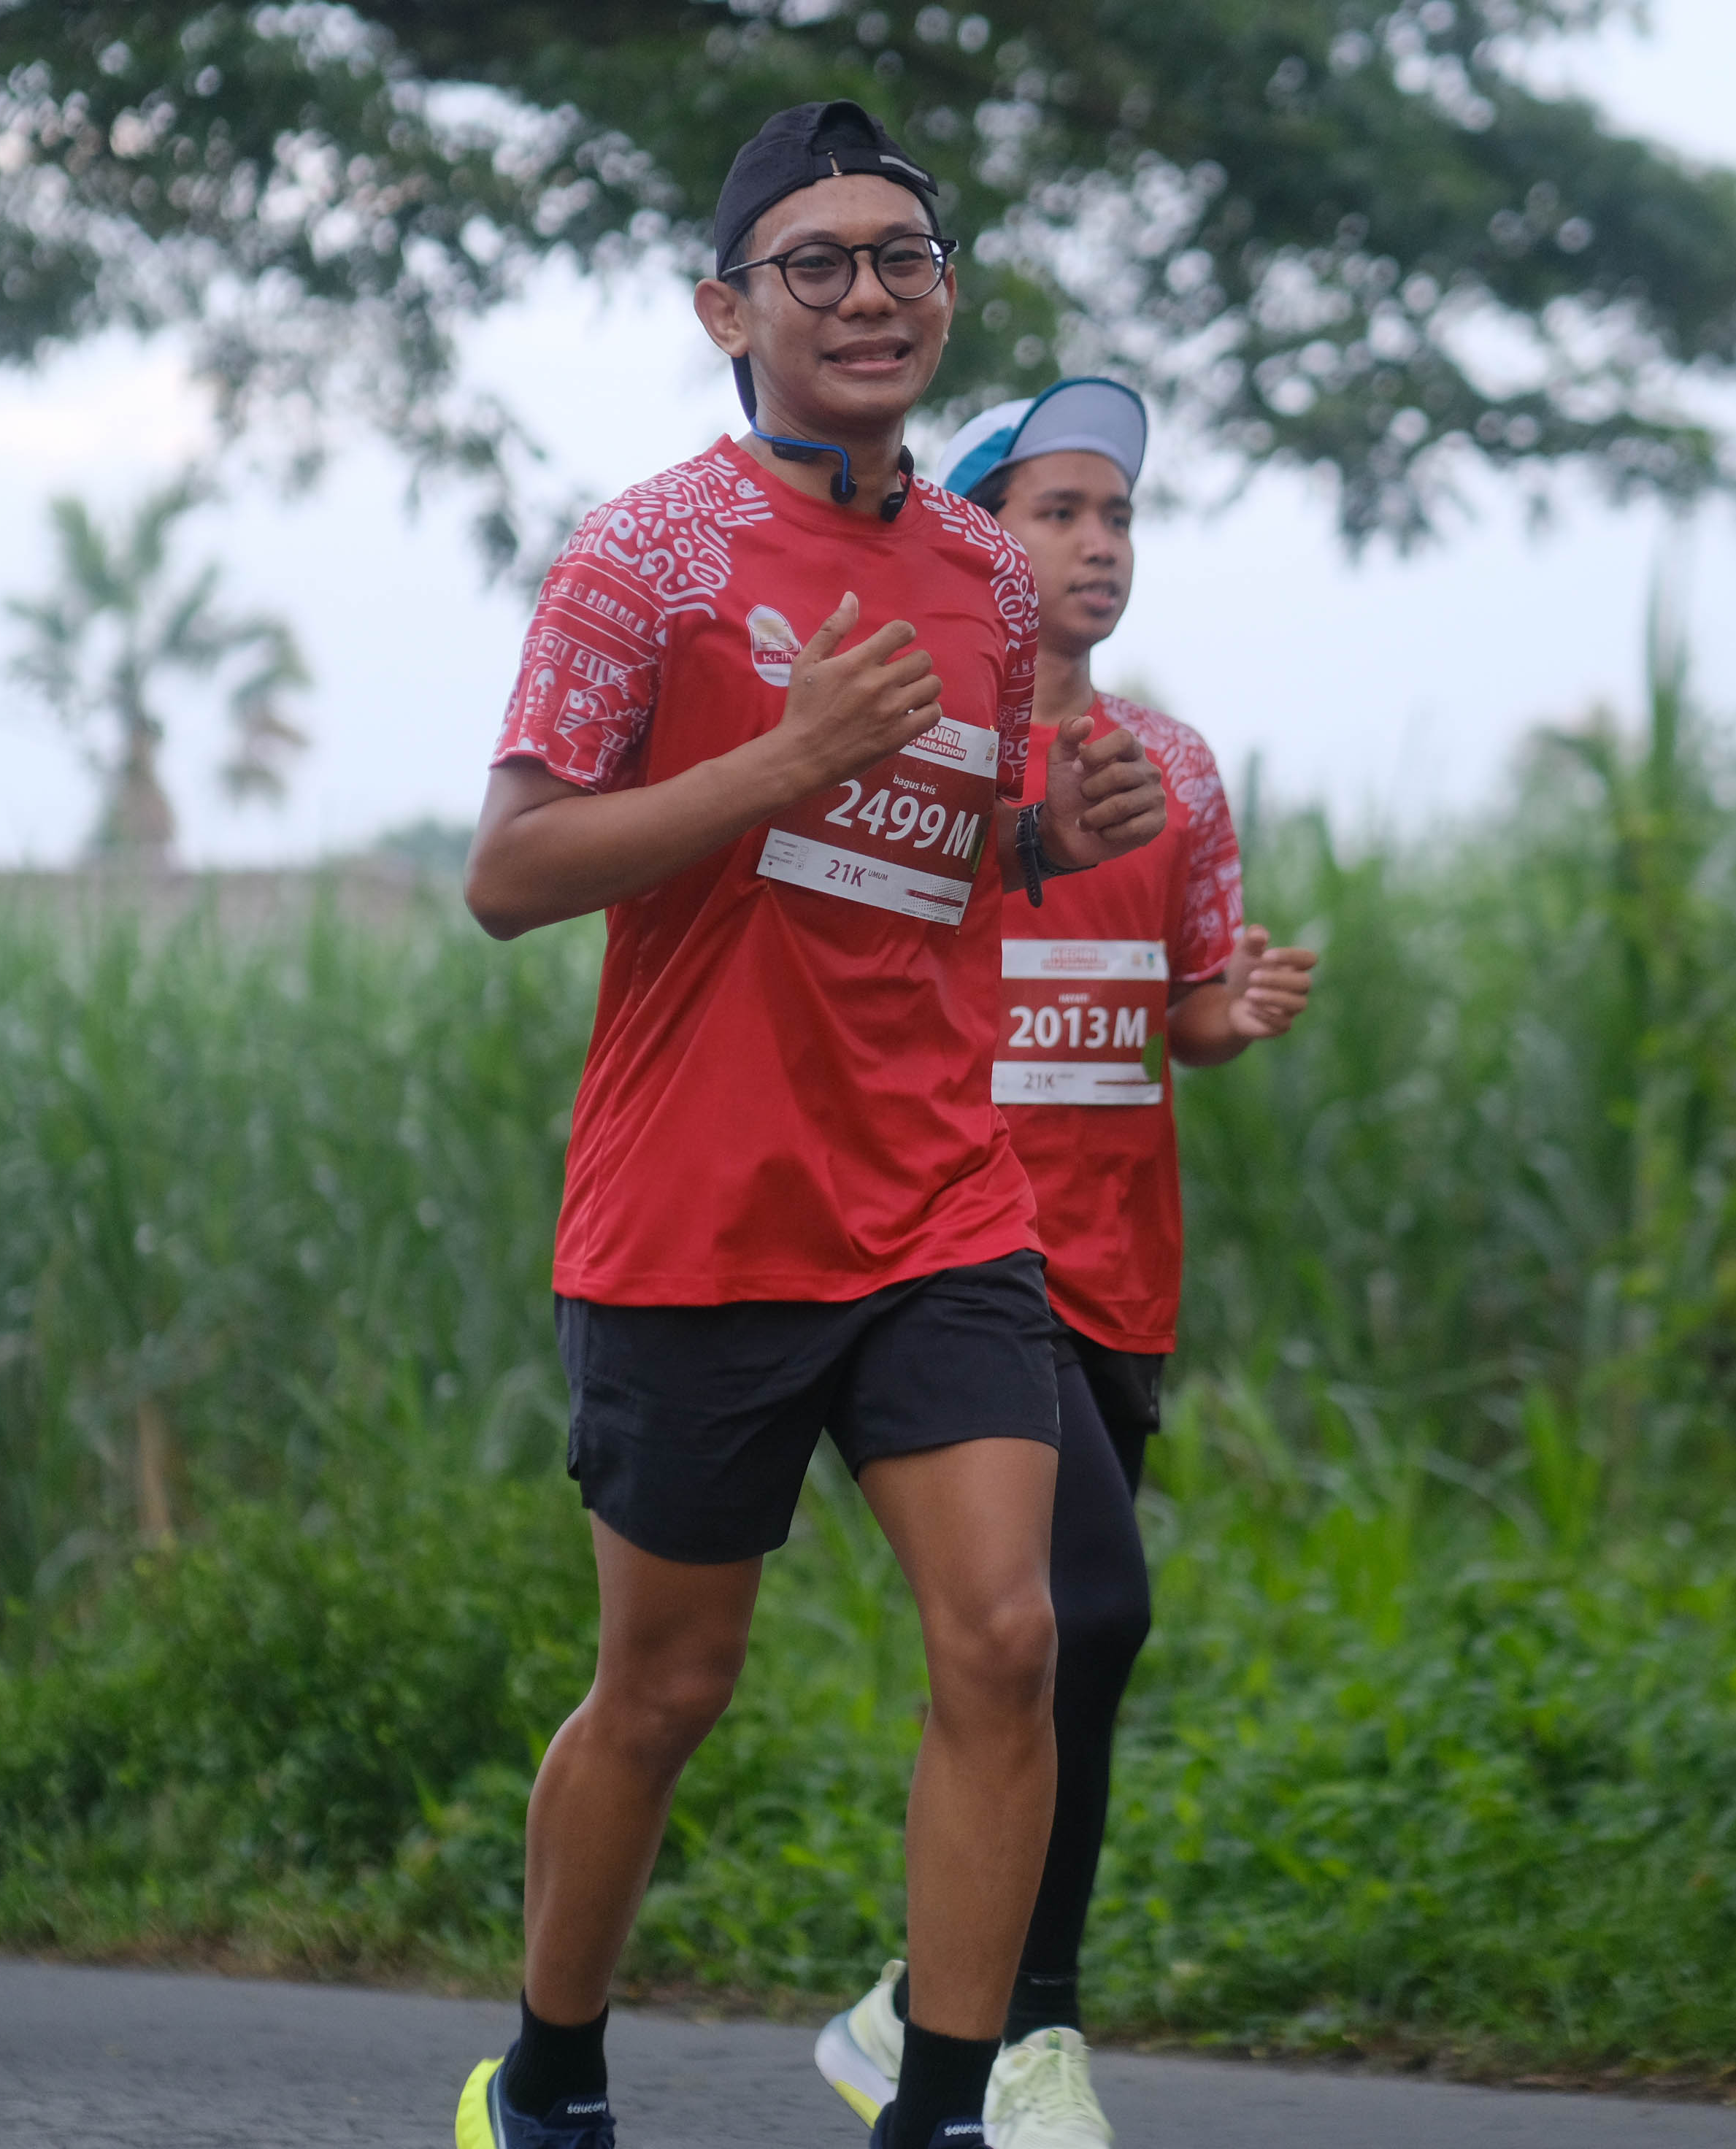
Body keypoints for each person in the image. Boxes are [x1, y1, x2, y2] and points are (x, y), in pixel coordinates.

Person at [452, 99, 1168, 2149]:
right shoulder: (645, 557)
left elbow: (923, 861)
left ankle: (938, 2104)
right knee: (667, 1689)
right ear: (728, 310)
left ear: (946, 298)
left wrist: (1043, 839)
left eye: (904, 260)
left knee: (1015, 1639)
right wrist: (780, 760)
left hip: (941, 1198)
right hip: (697, 1211)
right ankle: (549, 2073)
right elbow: (513, 873)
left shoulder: (982, 575)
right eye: (818, 264)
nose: (870, 296)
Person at [808, 379, 1317, 2149]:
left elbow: (1182, 1008)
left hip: (1119, 1274)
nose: (1099, 545)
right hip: (960, 1260)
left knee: (1058, 1657)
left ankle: (915, 2005)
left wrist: (1233, 1009)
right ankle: (1025, 2029)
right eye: (1059, 512)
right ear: (979, 538)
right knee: (1087, 1611)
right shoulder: (924, 756)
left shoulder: (1173, 768)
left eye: (1120, 516)